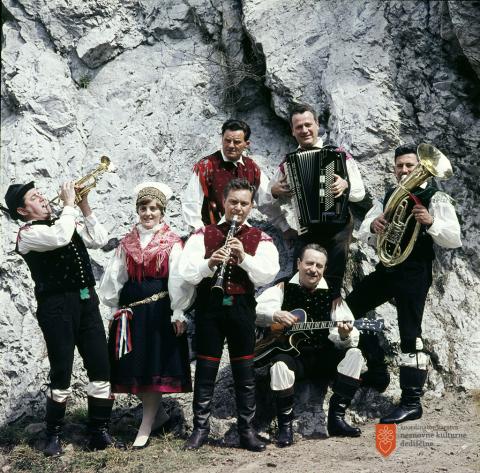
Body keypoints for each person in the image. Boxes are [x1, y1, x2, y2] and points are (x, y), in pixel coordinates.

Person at [345, 143, 462, 424]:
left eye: (410, 166)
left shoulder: (437, 197)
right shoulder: (389, 195)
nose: (405, 170)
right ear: (394, 168)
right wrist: (374, 227)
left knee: (411, 334)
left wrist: (431, 222)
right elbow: (365, 232)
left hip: (414, 273)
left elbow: (454, 238)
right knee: (348, 312)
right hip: (387, 269)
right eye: (400, 166)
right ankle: (377, 370)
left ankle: (412, 402)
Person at [3, 181, 121, 456]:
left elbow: (100, 239)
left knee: (101, 367)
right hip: (56, 307)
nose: (43, 198)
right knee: (61, 372)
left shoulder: (63, 221)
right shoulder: (28, 234)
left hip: (86, 301)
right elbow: (60, 238)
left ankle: (99, 433)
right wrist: (69, 205)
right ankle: (52, 435)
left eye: (40, 193)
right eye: (34, 197)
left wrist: (83, 205)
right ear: (22, 210)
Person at [179, 178, 280, 452]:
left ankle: (246, 431)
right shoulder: (204, 234)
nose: (238, 208)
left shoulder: (261, 238)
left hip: (242, 308)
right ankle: (200, 430)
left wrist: (243, 257)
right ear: (223, 202)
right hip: (209, 307)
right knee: (206, 369)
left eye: (244, 203)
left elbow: (267, 273)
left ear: (251, 206)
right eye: (233, 202)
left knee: (244, 371)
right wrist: (209, 263)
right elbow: (186, 271)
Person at [98, 182, 194, 448]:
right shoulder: (126, 242)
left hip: (159, 312)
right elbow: (116, 277)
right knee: (131, 367)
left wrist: (178, 311)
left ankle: (146, 424)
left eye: (153, 208)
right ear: (137, 210)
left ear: (162, 212)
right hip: (130, 314)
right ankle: (158, 415)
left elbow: (178, 278)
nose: (148, 213)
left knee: (153, 367)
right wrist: (113, 308)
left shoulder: (172, 242)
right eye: (143, 208)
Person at [255, 244, 365, 447]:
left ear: (324, 269)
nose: (313, 269)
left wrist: (343, 334)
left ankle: (336, 419)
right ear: (299, 263)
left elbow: (350, 334)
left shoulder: (333, 295)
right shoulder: (283, 286)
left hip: (323, 357)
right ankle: (285, 428)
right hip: (293, 357)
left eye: (319, 265)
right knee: (279, 366)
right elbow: (256, 310)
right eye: (309, 263)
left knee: (355, 354)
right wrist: (275, 314)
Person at [268, 104, 366, 306]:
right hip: (307, 230)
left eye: (308, 124)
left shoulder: (337, 155)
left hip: (337, 230)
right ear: (292, 131)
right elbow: (267, 199)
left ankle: (328, 330)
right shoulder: (288, 164)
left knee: (332, 283)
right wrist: (276, 193)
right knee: (298, 282)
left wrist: (346, 185)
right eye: (298, 127)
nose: (304, 130)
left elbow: (360, 193)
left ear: (317, 124)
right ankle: (297, 329)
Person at [181, 118, 286, 231]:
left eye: (236, 142)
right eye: (227, 140)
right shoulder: (206, 166)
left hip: (241, 234)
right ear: (222, 139)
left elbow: (265, 202)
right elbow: (191, 205)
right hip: (210, 234)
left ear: (247, 144)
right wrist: (201, 236)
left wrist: (284, 227)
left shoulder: (252, 168)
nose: (231, 145)